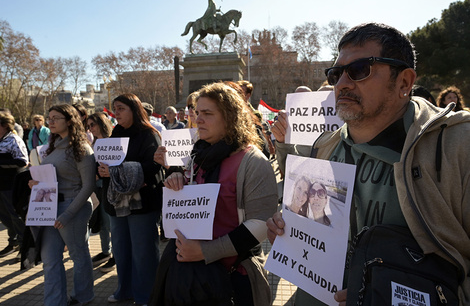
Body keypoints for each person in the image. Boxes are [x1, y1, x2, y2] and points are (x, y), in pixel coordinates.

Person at [268, 22, 470, 305]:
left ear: (404, 82)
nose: (342, 84)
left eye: (360, 69)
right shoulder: (324, 148)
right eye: (335, 74)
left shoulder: (458, 145)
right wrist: (288, 226)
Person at [151, 82, 278, 306]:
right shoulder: (198, 154)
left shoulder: (253, 161)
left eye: (207, 113)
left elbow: (260, 224)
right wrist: (176, 177)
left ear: (230, 117)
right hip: (190, 276)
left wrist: (205, 251)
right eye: (197, 112)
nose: (197, 119)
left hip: (233, 278)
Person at [98, 93, 164, 306]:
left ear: (134, 110)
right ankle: (124, 290)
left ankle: (146, 296)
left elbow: (154, 167)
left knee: (143, 251)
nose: (115, 113)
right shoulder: (115, 133)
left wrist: (116, 172)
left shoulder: (149, 135)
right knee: (121, 249)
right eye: (114, 109)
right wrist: (101, 170)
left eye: (120, 109)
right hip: (116, 202)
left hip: (142, 203)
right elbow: (107, 163)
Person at [28, 104, 95, 306]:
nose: (51, 121)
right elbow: (52, 179)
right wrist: (36, 184)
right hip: (49, 208)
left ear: (69, 120)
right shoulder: (51, 148)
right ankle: (55, 302)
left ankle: (83, 297)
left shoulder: (81, 148)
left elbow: (89, 185)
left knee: (78, 255)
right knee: (50, 261)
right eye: (49, 118)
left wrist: (67, 215)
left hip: (72, 209)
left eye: (56, 117)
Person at [86, 112, 116, 273]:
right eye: (89, 126)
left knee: (111, 223)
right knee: (103, 223)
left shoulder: (112, 140)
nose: (91, 129)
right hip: (98, 187)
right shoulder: (95, 142)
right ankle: (106, 251)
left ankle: (115, 256)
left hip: (111, 186)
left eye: (93, 125)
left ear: (101, 123)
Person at [0, 112, 28, 258]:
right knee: (4, 216)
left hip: (12, 185)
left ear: (4, 125)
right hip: (1, 185)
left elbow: (23, 161)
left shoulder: (13, 140)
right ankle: (14, 241)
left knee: (15, 215)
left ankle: (25, 245)